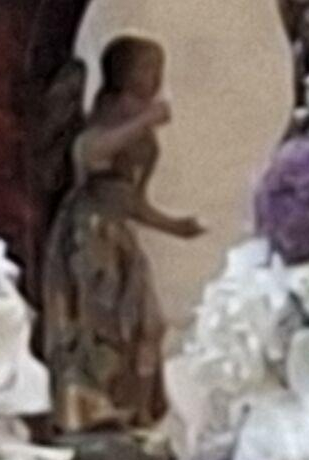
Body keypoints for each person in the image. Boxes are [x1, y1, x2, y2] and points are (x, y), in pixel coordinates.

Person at [43, 36, 203, 435]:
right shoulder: (110, 114)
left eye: (158, 70)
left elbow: (130, 198)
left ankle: (131, 406)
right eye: (146, 69)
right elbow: (88, 154)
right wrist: (144, 121)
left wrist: (173, 226)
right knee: (98, 322)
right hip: (91, 232)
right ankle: (91, 405)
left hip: (118, 233)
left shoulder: (138, 121)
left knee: (148, 324)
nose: (154, 79)